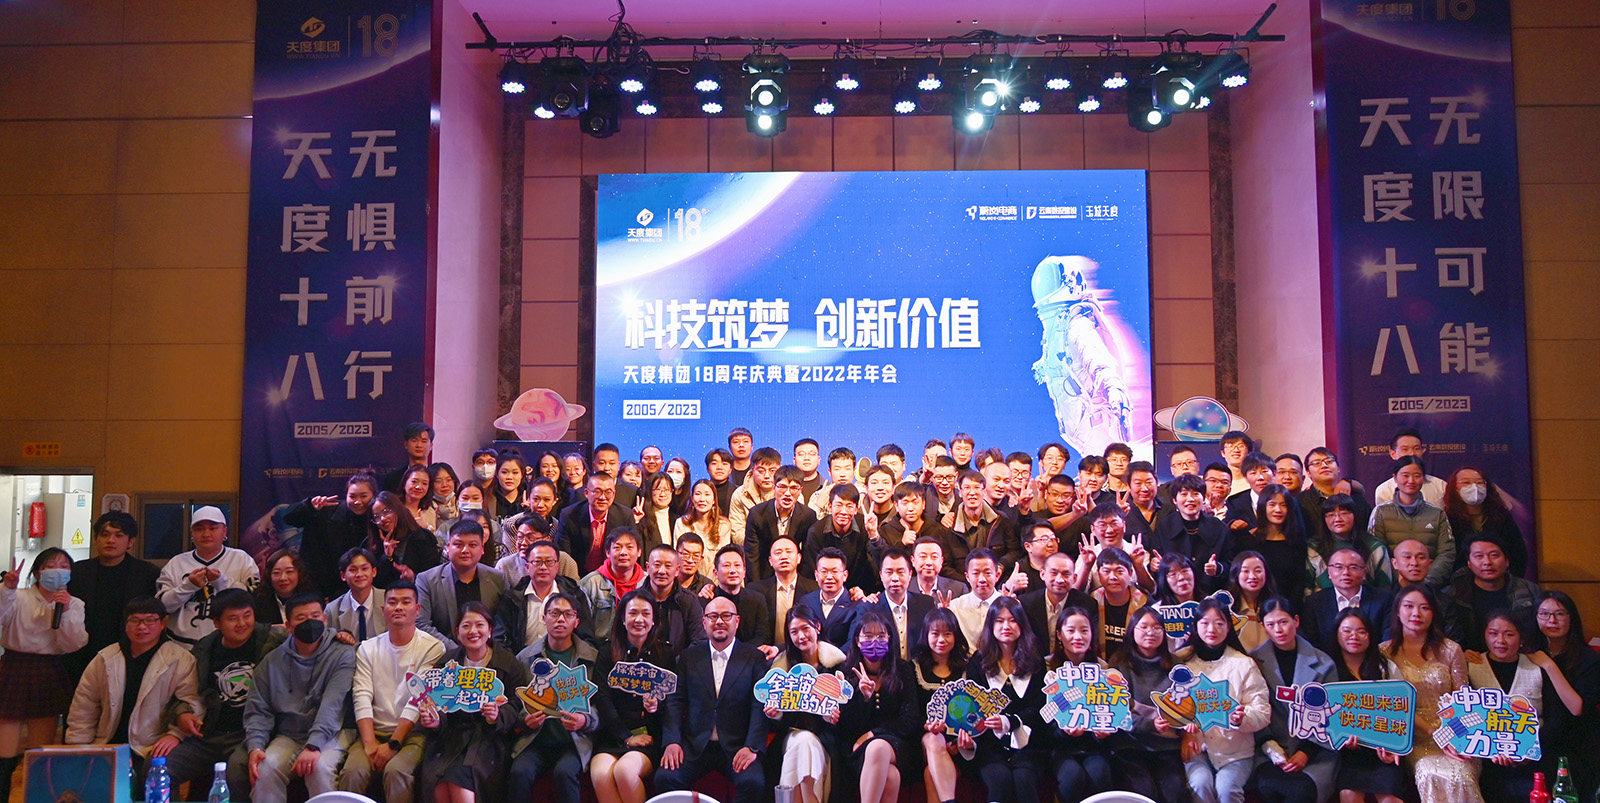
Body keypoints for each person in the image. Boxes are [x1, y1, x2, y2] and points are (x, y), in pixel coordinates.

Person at [66, 596, 201, 789]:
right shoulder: (106, 658)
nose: (142, 627)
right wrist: (78, 748)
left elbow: (191, 702)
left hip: (150, 745)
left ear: (163, 623)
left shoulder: (180, 659)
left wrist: (175, 735)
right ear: (125, 624)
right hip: (107, 743)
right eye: (134, 620)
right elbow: (84, 706)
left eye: (150, 620)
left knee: (154, 781)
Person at [161, 588, 281, 797]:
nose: (242, 623)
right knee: (162, 767)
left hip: (251, 733)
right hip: (210, 733)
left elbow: (314, 640)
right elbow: (185, 692)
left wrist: (339, 636)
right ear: (216, 622)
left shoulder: (273, 641)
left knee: (238, 769)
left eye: (247, 615)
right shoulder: (203, 649)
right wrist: (182, 714)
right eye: (233, 618)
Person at [655, 595, 769, 802]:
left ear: (737, 621)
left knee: (753, 783)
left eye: (726, 616)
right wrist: (672, 741)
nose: (719, 621)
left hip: (736, 747)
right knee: (665, 778)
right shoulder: (689, 657)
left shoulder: (754, 658)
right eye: (713, 616)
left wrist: (752, 747)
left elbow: (758, 704)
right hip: (695, 747)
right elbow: (674, 701)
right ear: (704, 622)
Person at [340, 581, 445, 803]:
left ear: (417, 609)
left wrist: (393, 744)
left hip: (413, 733)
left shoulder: (433, 647)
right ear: (383, 609)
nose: (398, 607)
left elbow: (418, 699)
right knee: (353, 771)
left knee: (396, 771)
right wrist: (369, 743)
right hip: (374, 731)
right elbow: (361, 695)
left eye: (406, 602)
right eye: (392, 602)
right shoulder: (368, 648)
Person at [413, 600, 528, 803]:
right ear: (457, 632)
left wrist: (497, 716)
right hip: (450, 737)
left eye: (479, 625)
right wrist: (435, 721)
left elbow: (517, 703)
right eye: (466, 626)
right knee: (438, 788)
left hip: (488, 739)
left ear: (490, 630)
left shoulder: (508, 663)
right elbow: (436, 702)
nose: (473, 631)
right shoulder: (446, 664)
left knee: (461, 789)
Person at [243, 593, 356, 801]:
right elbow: (258, 709)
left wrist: (313, 746)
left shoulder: (342, 654)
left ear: (325, 619)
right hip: (290, 734)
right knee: (265, 768)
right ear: (288, 626)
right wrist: (256, 746)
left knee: (318, 768)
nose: (310, 622)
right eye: (301, 618)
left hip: (333, 732)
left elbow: (332, 705)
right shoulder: (271, 661)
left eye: (315, 616)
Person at [1383, 583, 1482, 803]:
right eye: (1408, 606)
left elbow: (1463, 702)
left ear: (1434, 613)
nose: (1416, 613)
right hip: (1412, 738)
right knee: (1430, 772)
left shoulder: (1451, 650)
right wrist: (1433, 733)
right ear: (1397, 611)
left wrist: (1454, 737)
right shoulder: (1384, 652)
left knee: (1460, 775)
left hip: (1455, 734)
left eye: (1425, 607)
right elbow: (1390, 707)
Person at [0, 547, 88, 792]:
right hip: (14, 668)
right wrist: (7, 589)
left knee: (40, 753)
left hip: (48, 670)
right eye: (51, 566)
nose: (58, 571)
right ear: (38, 572)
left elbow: (74, 644)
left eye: (64, 566)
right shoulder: (18, 596)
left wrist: (66, 611)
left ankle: (36, 795)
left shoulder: (75, 603)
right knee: (4, 752)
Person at [508, 592, 599, 803]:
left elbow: (601, 705)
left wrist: (585, 720)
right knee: (519, 772)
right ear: (544, 618)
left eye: (568, 614)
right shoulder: (525, 658)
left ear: (576, 622)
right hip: (535, 741)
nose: (560, 620)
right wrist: (524, 720)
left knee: (564, 774)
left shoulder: (592, 658)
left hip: (574, 742)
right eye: (554, 613)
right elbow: (516, 703)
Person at [1249, 597, 1340, 803]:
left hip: (1316, 750)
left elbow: (1331, 717)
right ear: (1264, 627)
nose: (1278, 630)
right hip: (1270, 750)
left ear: (1296, 621)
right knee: (1269, 788)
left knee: (1301, 791)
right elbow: (1253, 707)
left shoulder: (1324, 663)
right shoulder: (1253, 661)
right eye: (1271, 624)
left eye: (1283, 622)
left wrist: (1305, 753)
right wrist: (1271, 748)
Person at [1183, 597, 1272, 803]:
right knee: (1200, 784)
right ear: (1195, 626)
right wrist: (1183, 728)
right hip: (1197, 749)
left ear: (1228, 627)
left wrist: (1241, 718)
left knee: (1227, 789)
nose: (1211, 629)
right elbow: (1172, 707)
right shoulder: (1182, 662)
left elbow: (1262, 712)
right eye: (1205, 623)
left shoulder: (1244, 664)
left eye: (1219, 623)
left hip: (1236, 752)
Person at [964, 596, 1048, 803]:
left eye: (1012, 620)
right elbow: (972, 709)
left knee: (1023, 779)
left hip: (1029, 746)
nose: (1006, 626)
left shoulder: (1035, 660)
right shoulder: (978, 661)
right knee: (999, 780)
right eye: (999, 621)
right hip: (990, 747)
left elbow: (1040, 707)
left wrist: (1011, 721)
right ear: (990, 625)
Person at [590, 590, 669, 803]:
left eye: (646, 613)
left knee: (625, 771)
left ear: (654, 620)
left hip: (648, 736)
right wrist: (625, 736)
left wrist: (656, 706)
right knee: (600, 774)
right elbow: (602, 698)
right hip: (613, 734)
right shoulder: (607, 651)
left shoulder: (664, 653)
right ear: (623, 619)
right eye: (633, 613)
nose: (639, 619)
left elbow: (672, 701)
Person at [765, 604, 847, 803]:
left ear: (817, 627)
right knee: (803, 742)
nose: (801, 636)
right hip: (789, 738)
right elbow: (774, 723)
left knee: (806, 744)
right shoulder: (781, 670)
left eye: (805, 628)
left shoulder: (837, 667)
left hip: (826, 741)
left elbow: (850, 718)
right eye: (794, 632)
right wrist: (776, 715)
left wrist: (831, 718)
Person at [67, 511, 161, 682]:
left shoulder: (147, 573)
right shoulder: (78, 572)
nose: (111, 540)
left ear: (130, 542)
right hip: (82, 653)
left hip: (130, 652)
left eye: (119, 535)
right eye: (105, 534)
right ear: (95, 539)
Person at [837, 609, 919, 803]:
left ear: (889, 639)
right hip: (857, 746)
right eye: (868, 636)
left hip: (896, 743)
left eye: (881, 636)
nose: (875, 641)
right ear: (857, 641)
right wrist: (864, 698)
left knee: (878, 747)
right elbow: (845, 724)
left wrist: (874, 734)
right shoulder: (845, 673)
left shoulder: (902, 669)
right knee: (891, 776)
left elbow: (911, 718)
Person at [1329, 608, 1409, 803]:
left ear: (1370, 635)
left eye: (1361, 631)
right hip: (1346, 754)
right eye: (1347, 631)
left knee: (1390, 800)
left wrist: (1392, 747)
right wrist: (1341, 739)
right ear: (1336, 633)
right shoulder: (1328, 669)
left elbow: (1402, 711)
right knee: (1349, 796)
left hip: (1383, 749)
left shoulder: (1385, 667)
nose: (1354, 636)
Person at [1109, 605, 1189, 802]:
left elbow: (1187, 707)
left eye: (1156, 627)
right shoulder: (1119, 664)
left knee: (1175, 793)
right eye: (1143, 626)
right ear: (1132, 630)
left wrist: (1187, 727)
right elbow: (1117, 714)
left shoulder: (1177, 665)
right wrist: (1150, 724)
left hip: (1167, 747)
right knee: (1144, 793)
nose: (1150, 632)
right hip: (1130, 745)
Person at [1464, 609, 1542, 802]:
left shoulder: (1537, 666)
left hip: (1532, 757)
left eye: (1509, 634)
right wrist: (1490, 750)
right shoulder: (1471, 665)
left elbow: (1551, 717)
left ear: (1521, 637)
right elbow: (1464, 716)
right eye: (1493, 633)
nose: (1500, 640)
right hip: (1484, 756)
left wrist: (1527, 751)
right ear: (1484, 635)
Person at [1528, 591, 1600, 797]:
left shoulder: (1589, 659)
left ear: (1571, 618)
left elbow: (1577, 708)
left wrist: (1550, 666)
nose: (1552, 620)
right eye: (1544, 614)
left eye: (1560, 614)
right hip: (1540, 737)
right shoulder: (1527, 653)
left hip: (1577, 739)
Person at [156, 506, 261, 645]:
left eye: (213, 528)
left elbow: (254, 601)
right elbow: (162, 607)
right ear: (191, 533)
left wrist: (222, 582)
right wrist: (188, 586)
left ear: (224, 531)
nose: (206, 534)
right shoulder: (176, 563)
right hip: (180, 644)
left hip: (228, 646)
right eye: (199, 529)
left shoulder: (242, 559)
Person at [1045, 605, 1115, 803]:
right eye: (1071, 630)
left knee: (1100, 772)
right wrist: (1063, 731)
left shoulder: (1103, 669)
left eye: (1084, 630)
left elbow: (1111, 711)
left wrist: (1105, 732)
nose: (1078, 637)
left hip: (1093, 746)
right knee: (1072, 776)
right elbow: (1043, 717)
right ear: (1060, 635)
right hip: (1058, 746)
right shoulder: (1047, 668)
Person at [414, 521, 511, 652]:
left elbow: (505, 623)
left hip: (490, 653)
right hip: (444, 654)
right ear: (448, 547)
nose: (465, 550)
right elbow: (421, 624)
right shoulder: (426, 580)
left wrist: (486, 650)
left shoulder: (498, 579)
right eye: (458, 545)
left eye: (472, 545)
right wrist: (456, 651)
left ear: (482, 548)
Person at [910, 607, 969, 803]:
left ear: (956, 636)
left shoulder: (967, 668)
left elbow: (974, 713)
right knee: (934, 739)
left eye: (947, 634)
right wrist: (927, 726)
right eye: (935, 634)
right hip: (922, 741)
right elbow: (910, 712)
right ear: (926, 635)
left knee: (930, 773)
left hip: (959, 745)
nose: (941, 640)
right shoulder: (914, 667)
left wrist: (958, 742)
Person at [1368, 457, 1455, 586]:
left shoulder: (1437, 513)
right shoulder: (1381, 512)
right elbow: (1376, 552)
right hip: (1392, 587)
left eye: (1417, 476)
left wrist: (1429, 581)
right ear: (1395, 478)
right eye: (1405, 475)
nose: (1411, 481)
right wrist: (1397, 581)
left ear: (1423, 479)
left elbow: (1446, 552)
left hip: (1429, 585)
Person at [497, 538, 594, 653]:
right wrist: (514, 662)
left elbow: (586, 636)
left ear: (557, 566)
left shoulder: (574, 595)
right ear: (528, 567)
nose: (543, 567)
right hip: (523, 660)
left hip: (566, 658)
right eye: (537, 562)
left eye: (549, 562)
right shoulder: (512, 598)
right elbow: (500, 638)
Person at [1446, 533, 1540, 651]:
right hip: (1469, 658)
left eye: (1494, 555)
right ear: (1469, 563)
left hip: (1520, 657)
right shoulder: (1453, 594)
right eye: (1479, 556)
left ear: (1507, 561)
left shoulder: (1530, 591)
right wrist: (1461, 652)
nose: (1487, 562)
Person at [1300, 548, 1394, 653]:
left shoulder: (1383, 599)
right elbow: (1311, 643)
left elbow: (1387, 640)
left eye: (1353, 567)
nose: (1346, 573)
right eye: (1339, 567)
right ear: (1329, 572)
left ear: (1364, 573)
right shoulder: (1315, 602)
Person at [1442, 466, 1527, 578]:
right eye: (1466, 482)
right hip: (1459, 580)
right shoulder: (1447, 518)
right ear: (1454, 488)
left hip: (1499, 580)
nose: (1474, 487)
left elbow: (1518, 551)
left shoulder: (1500, 516)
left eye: (1479, 482)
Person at [1150, 473, 1228, 591]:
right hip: (1174, 593)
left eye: (1196, 494)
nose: (1190, 499)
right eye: (1184, 494)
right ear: (1175, 500)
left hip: (1210, 593)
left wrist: (1218, 569)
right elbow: (1156, 561)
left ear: (1203, 498)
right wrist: (1155, 566)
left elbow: (1231, 563)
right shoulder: (1164, 526)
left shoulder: (1218, 527)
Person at [1235, 484, 1312, 603]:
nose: (1278, 510)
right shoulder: (1247, 540)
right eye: (1272, 504)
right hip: (1252, 607)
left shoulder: (1296, 542)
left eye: (1283, 505)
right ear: (1262, 507)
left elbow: (1298, 583)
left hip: (1285, 606)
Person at [556, 472, 637, 576]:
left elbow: (631, 551)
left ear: (614, 494)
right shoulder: (569, 515)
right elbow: (564, 555)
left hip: (612, 575)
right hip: (577, 575)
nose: (603, 497)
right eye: (597, 491)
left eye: (608, 492)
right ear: (586, 493)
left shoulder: (625, 516)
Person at [861, 547, 935, 660]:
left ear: (910, 574)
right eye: (889, 572)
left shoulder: (926, 604)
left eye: (900, 572)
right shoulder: (868, 608)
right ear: (881, 575)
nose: (895, 578)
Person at [1309, 492, 1394, 590]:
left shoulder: (1374, 547)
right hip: (1323, 599)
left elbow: (1385, 588)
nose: (1337, 519)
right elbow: (1307, 588)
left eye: (1343, 513)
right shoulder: (1314, 548)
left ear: (1355, 516)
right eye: (1331, 515)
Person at [802, 483, 874, 593]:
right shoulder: (816, 531)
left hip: (859, 591)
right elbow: (812, 572)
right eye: (838, 505)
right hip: (826, 591)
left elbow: (875, 563)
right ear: (830, 507)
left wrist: (873, 533)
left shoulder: (865, 526)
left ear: (856, 509)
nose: (843, 512)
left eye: (849, 506)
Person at [638, 545, 706, 662]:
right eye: (657, 565)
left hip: (678, 667)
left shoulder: (688, 601)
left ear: (677, 570)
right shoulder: (634, 600)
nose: (662, 571)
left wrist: (678, 663)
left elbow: (700, 641)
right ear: (648, 568)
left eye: (668, 566)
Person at [750, 466, 820, 579]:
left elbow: (809, 556)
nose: (787, 493)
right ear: (774, 488)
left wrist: (804, 584)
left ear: (800, 490)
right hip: (765, 575)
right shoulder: (757, 514)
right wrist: (754, 586)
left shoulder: (808, 516)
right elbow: (752, 556)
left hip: (796, 575)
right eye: (782, 487)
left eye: (794, 488)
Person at [750, 537, 817, 653]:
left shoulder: (814, 589)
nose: (784, 556)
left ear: (799, 558)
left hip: (804, 654)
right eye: (778, 553)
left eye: (789, 552)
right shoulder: (756, 591)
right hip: (768, 655)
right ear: (770, 561)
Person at [578, 528, 647, 641]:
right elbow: (583, 628)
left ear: (639, 552)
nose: (623, 552)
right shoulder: (590, 583)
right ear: (607, 552)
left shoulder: (647, 583)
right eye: (617, 547)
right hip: (599, 647)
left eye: (629, 547)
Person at [1020, 551, 1094, 655]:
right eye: (1054, 573)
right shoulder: (1026, 603)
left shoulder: (1087, 605)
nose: (1059, 580)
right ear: (1043, 574)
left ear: (1074, 578)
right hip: (1035, 662)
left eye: (1066, 574)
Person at [366, 491, 442, 587]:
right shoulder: (372, 543)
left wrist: (413, 578)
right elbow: (374, 581)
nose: (383, 519)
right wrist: (387, 557)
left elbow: (434, 575)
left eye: (386, 511)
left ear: (397, 509)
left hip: (418, 592)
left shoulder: (422, 537)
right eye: (376, 516)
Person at [707, 545, 771, 648]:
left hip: (749, 655)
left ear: (744, 572)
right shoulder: (707, 599)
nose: (733, 570)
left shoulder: (757, 600)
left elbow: (762, 637)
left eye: (737, 565)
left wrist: (739, 653)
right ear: (715, 573)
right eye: (726, 565)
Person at [1090, 547, 1148, 653]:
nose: (1113, 577)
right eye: (1106, 571)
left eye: (1119, 571)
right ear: (1098, 574)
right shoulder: (1092, 601)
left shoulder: (1144, 603)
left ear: (1130, 573)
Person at [796, 547, 858, 646]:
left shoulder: (856, 604)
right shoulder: (806, 601)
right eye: (824, 571)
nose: (829, 577)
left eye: (835, 571)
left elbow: (852, 642)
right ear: (816, 575)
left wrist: (831, 656)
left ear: (845, 575)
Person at [1371, 429, 1449, 506]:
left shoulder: (1440, 486)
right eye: (1405, 449)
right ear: (1393, 454)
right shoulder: (1384, 490)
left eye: (1416, 448)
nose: (1412, 454)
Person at [325, 548, 386, 644]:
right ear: (343, 576)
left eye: (364, 569)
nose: (359, 574)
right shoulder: (332, 610)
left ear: (374, 572)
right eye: (353, 570)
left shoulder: (389, 600)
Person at [1299, 447, 1369, 531]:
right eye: (1316, 463)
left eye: (1329, 461)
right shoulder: (1301, 503)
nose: (1324, 466)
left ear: (1338, 468)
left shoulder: (1356, 499)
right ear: (1308, 473)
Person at [949, 548, 1006, 647]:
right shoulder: (955, 607)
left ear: (997, 575)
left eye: (987, 573)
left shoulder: (1007, 605)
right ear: (967, 577)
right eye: (975, 573)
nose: (982, 579)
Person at [674, 479, 733, 567]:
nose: (702, 499)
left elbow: (724, 559)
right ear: (692, 498)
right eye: (698, 494)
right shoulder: (682, 523)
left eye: (707, 494)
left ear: (714, 500)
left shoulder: (723, 526)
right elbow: (678, 557)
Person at [728, 446, 781, 538]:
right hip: (749, 544)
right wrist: (754, 544)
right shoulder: (740, 494)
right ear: (753, 470)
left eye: (772, 471)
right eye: (761, 471)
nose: (767, 476)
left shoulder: (791, 492)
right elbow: (737, 531)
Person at [254, 549, 316, 626]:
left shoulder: (312, 599)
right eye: (276, 573)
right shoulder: (257, 601)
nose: (283, 578)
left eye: (289, 572)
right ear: (269, 575)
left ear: (300, 573)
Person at [1151, 552, 1199, 651]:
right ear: (1164, 580)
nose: (1181, 578)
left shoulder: (1208, 605)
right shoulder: (1157, 612)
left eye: (1185, 571)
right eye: (1172, 574)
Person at [1229, 551, 1276, 651]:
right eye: (1246, 571)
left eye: (1258, 571)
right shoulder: (1227, 607)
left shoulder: (1276, 606)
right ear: (1236, 574)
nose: (1252, 576)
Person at [1224, 451, 1278, 535]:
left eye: (1264, 471)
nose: (1260, 477)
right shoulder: (1235, 502)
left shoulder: (1285, 499)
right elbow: (1225, 528)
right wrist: (1232, 525)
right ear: (1245, 478)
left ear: (1274, 474)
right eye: (1253, 473)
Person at [382, 422, 434, 493]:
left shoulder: (436, 476)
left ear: (431, 445)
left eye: (424, 441)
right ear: (406, 444)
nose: (419, 445)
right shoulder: (393, 478)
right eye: (414, 440)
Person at [637, 472, 677, 555]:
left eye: (667, 490)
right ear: (650, 491)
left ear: (672, 492)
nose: (662, 494)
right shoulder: (642, 519)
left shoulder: (676, 520)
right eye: (658, 489)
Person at [485, 451, 531, 522]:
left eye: (515, 472)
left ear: (522, 474)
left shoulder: (530, 500)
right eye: (504, 472)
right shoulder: (487, 500)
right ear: (497, 474)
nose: (509, 477)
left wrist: (530, 512)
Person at [399, 464, 438, 534]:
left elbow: (432, 539)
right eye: (414, 482)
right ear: (404, 484)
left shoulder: (429, 512)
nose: (419, 487)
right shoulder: (393, 507)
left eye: (424, 483)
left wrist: (426, 528)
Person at [705, 448, 737, 515]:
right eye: (714, 463)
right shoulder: (700, 492)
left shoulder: (737, 492)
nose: (719, 467)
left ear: (730, 469)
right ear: (707, 469)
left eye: (724, 464)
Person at [428, 462, 461, 528]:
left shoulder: (461, 504)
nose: (445, 485)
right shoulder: (427, 508)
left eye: (448, 480)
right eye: (438, 481)